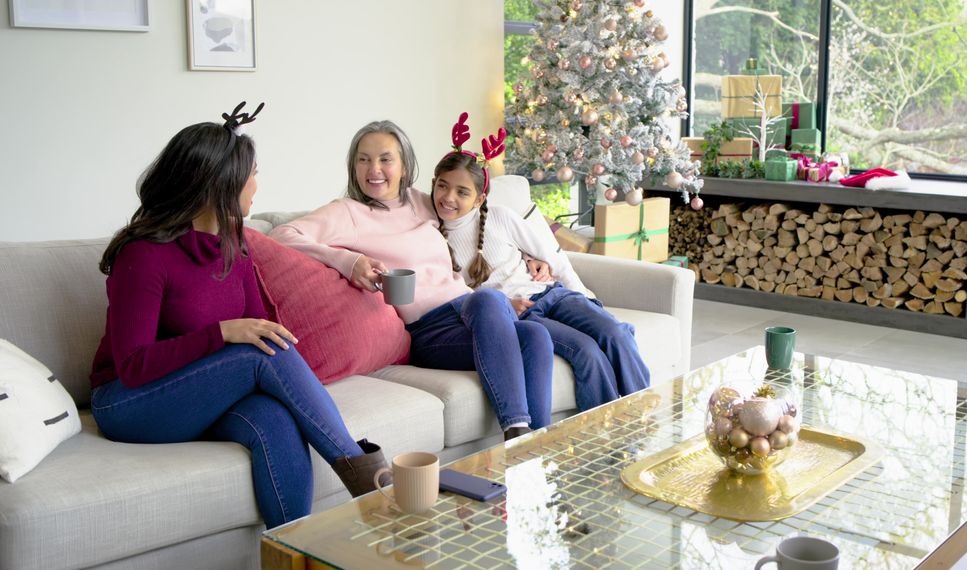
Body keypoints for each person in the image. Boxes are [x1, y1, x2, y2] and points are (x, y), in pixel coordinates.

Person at [89, 102, 390, 530]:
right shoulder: (144, 255)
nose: (256, 185)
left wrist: (253, 345)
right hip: (128, 402)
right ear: (221, 184)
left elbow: (260, 328)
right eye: (252, 174)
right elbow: (134, 366)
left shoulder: (233, 242)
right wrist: (222, 333)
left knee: (275, 419)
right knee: (258, 353)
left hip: (201, 393)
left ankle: (292, 551)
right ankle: (371, 484)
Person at [269, 119, 553, 439]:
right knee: (489, 299)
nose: (374, 169)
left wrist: (529, 255)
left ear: (404, 166)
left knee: (535, 336)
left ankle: (536, 447)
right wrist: (349, 261)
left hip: (469, 311)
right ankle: (516, 431)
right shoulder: (346, 211)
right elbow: (281, 235)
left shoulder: (422, 201)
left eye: (385, 159)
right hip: (428, 330)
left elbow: (473, 221)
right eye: (364, 159)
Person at [430, 113, 650, 412]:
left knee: (614, 332)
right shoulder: (430, 235)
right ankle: (608, 438)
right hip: (522, 314)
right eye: (442, 186)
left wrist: (587, 298)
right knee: (587, 352)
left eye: (462, 191)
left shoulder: (500, 217)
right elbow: (452, 294)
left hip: (552, 293)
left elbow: (552, 256)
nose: (448, 197)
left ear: (480, 199)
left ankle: (642, 416)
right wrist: (505, 306)